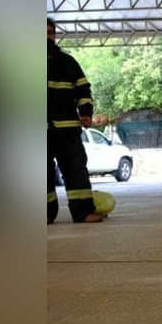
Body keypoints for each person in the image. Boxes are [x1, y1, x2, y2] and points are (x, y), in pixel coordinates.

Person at [47, 18, 105, 224]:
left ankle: (83, 212)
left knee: (76, 170)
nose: (46, 37)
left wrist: (86, 112)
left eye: (50, 33)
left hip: (68, 130)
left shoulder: (68, 63)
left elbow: (83, 90)